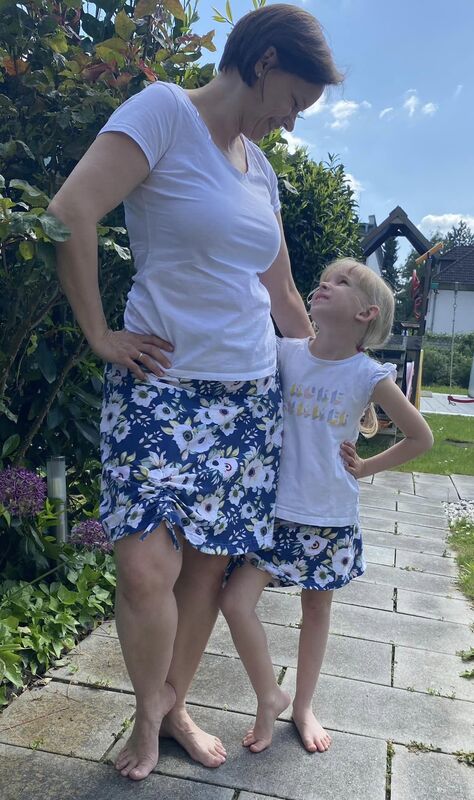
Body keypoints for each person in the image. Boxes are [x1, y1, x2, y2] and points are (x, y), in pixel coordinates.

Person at [48, 4, 343, 782]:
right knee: (145, 568)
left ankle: (168, 709)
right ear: (265, 61)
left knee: (207, 570)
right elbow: (71, 212)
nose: (291, 120)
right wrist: (99, 333)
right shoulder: (164, 114)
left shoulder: (260, 169)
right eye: (294, 100)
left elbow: (282, 296)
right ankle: (150, 711)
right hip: (159, 385)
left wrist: (334, 385)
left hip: (246, 397)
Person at [220, 258, 434, 754]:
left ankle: (303, 707)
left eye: (342, 282)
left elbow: (420, 437)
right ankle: (269, 695)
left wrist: (365, 468)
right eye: (325, 278)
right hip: (274, 513)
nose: (325, 284)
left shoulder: (369, 374)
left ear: (366, 313)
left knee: (316, 609)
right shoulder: (285, 352)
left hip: (329, 517)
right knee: (234, 603)